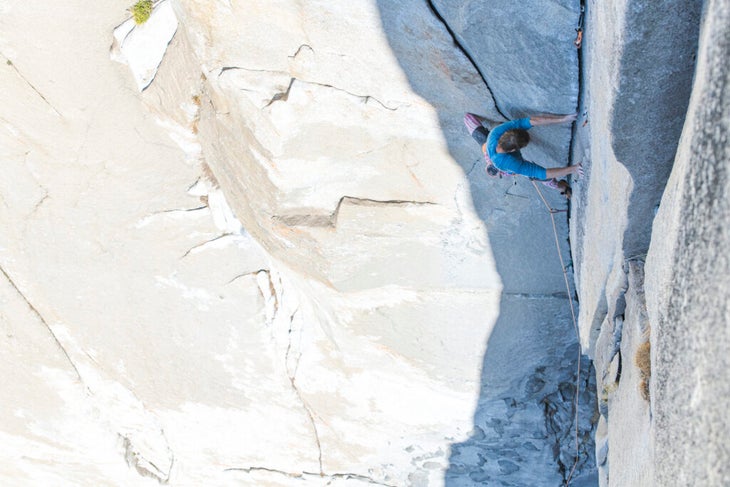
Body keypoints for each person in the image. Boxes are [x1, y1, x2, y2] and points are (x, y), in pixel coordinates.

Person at [464, 112, 581, 197]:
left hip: (490, 149)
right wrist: (574, 169)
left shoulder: (496, 132)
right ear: (513, 150)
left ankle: (469, 120)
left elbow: (532, 121)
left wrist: (563, 118)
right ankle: (562, 186)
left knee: (470, 122)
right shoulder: (511, 163)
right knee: (544, 179)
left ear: (507, 132)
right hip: (506, 167)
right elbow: (542, 173)